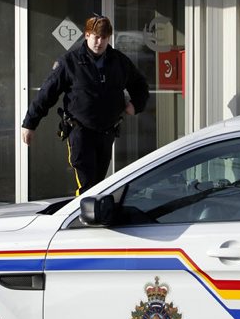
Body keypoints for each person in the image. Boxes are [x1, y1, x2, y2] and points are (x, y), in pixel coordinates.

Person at [21, 14, 150, 195]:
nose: (100, 42)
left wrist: (136, 104)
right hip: (80, 132)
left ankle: (95, 217)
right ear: (87, 35)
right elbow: (46, 94)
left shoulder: (118, 61)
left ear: (109, 38)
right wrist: (30, 123)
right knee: (87, 185)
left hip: (107, 131)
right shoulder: (70, 62)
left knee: (98, 183)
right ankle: (82, 218)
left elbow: (140, 85)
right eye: (96, 36)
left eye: (104, 37)